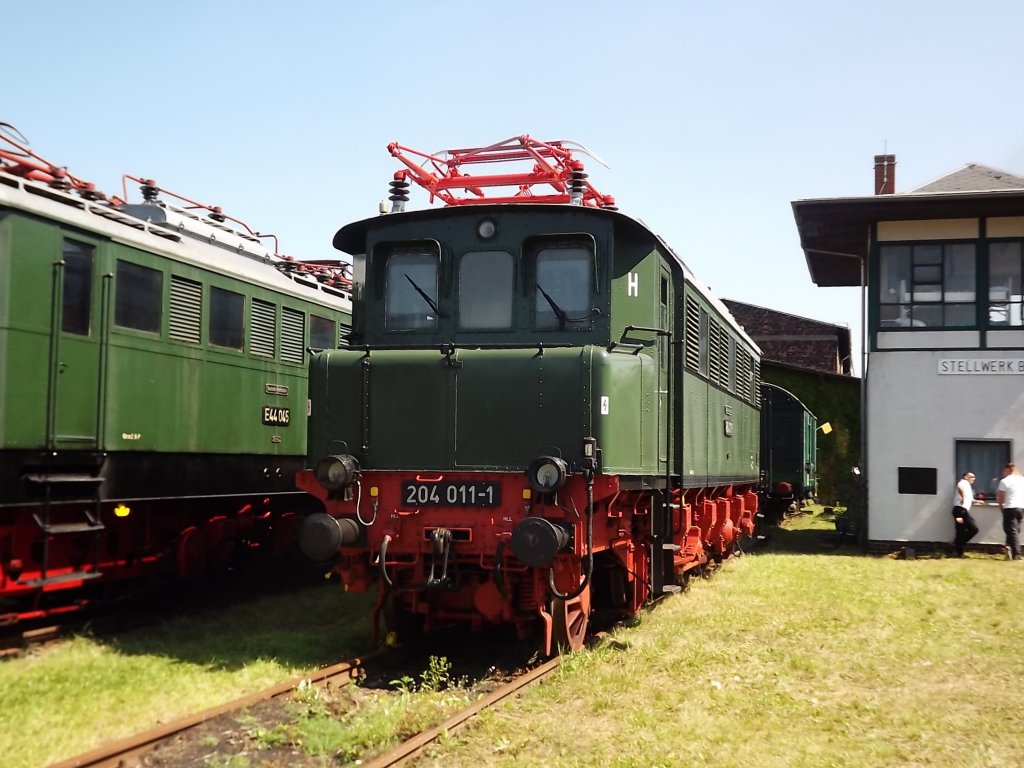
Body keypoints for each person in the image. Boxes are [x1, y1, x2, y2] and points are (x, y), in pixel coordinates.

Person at [997, 463, 1024, 560]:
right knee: (1015, 530)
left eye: (1004, 471)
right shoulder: (1022, 480)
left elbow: (1000, 497)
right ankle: (1008, 550)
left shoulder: (1005, 481)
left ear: (1007, 470)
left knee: (1011, 530)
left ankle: (1017, 553)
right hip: (1021, 507)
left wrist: (1001, 507)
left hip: (1010, 507)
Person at [951, 471, 979, 558]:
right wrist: (963, 497)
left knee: (964, 531)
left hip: (963, 510)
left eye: (974, 477)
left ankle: (958, 546)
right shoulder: (963, 483)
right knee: (969, 530)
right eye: (971, 477)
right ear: (966, 477)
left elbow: (969, 499)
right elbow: (959, 488)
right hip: (959, 510)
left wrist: (977, 501)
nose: (973, 479)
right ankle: (959, 549)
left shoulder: (969, 487)